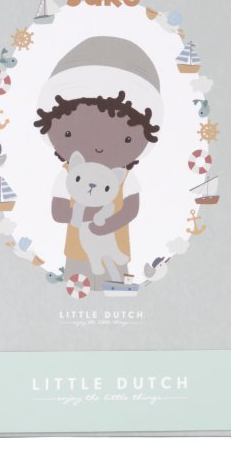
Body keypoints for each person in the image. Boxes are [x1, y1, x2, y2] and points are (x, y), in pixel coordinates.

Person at [34, 36, 162, 285]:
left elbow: (131, 208)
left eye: (124, 138)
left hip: (115, 248)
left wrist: (109, 224)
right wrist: (86, 216)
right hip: (77, 251)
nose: (99, 146)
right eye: (71, 133)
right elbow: (58, 211)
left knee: (116, 285)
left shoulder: (124, 177)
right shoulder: (68, 172)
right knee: (77, 288)